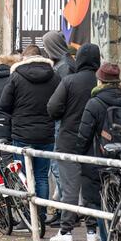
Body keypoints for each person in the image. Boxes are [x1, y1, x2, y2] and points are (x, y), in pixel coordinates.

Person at [76, 63, 121, 241]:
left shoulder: (94, 102)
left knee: (100, 202)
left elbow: (84, 134)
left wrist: (80, 154)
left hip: (99, 157)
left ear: (100, 79)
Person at [0, 44, 61, 230]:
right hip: (46, 134)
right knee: (42, 176)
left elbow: (4, 103)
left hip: (22, 133)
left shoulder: (17, 76)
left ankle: (28, 217)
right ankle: (40, 218)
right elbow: (59, 105)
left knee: (25, 175)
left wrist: (18, 112)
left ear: (24, 58)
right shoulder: (55, 76)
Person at [47, 44, 102, 241]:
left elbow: (53, 107)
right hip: (94, 142)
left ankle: (66, 232)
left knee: (70, 188)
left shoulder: (69, 81)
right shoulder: (100, 82)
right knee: (91, 187)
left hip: (69, 139)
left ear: (78, 59)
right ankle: (92, 230)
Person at [43, 31, 77, 228]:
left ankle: (66, 212)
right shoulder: (65, 63)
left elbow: (62, 98)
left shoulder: (64, 67)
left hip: (61, 123)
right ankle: (65, 210)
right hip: (62, 121)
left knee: (58, 167)